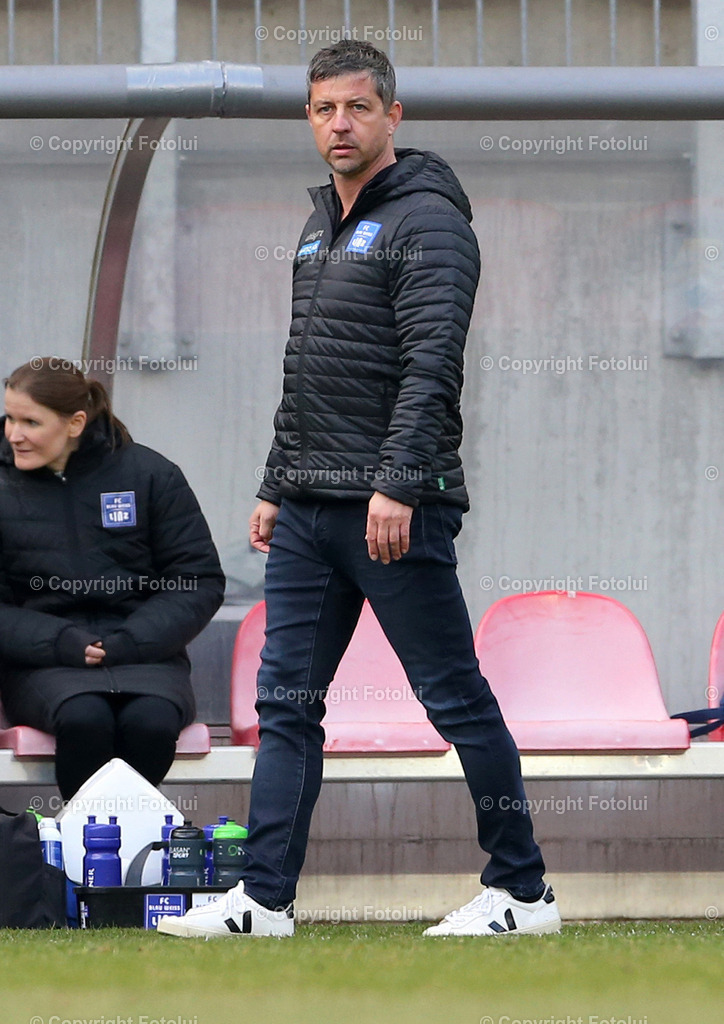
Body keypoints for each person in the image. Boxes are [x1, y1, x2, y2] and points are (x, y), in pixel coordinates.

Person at [159, 40, 560, 939]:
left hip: (391, 511)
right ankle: (263, 901)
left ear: (392, 116)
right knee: (285, 706)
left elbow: (431, 368)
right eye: (322, 109)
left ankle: (523, 893)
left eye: (356, 108)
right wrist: (274, 482)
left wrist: (398, 485)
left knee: (454, 699)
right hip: (306, 508)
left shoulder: (429, 222)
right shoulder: (318, 224)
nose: (339, 124)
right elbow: (309, 372)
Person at [0, 358, 225, 800]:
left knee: (151, 724)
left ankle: (128, 852)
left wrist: (131, 641)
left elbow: (197, 579)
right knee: (86, 718)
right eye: (9, 417)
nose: (13, 434)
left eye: (30, 421)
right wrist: (61, 640)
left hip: (146, 657)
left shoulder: (150, 474)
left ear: (75, 423)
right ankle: (86, 852)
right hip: (45, 662)